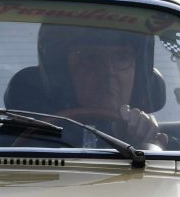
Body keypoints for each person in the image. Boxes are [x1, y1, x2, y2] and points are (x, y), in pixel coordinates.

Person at [35, 24, 167, 148]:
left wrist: (145, 146)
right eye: (90, 58)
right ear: (63, 72)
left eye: (121, 57)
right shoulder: (32, 138)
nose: (108, 72)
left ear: (137, 74)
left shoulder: (166, 145)